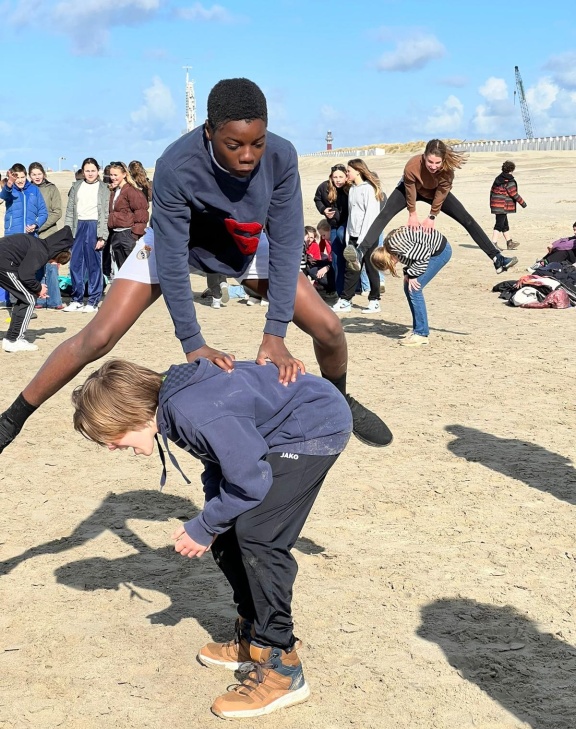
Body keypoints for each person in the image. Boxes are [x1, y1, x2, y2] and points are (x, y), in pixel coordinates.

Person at [0, 78, 391, 456]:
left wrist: (275, 333)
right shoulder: (175, 163)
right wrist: (193, 343)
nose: (248, 155)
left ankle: (338, 401)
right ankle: (11, 419)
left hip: (243, 241)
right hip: (179, 244)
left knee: (329, 328)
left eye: (257, 142)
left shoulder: (282, 157)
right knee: (97, 337)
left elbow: (288, 244)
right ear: (209, 131)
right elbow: (170, 258)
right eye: (234, 144)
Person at [71, 357, 352, 718]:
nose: (110, 447)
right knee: (227, 533)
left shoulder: (192, 410)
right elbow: (218, 462)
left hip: (312, 426)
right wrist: (212, 524)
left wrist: (205, 525)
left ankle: (281, 664)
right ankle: (252, 636)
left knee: (260, 538)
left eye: (109, 436)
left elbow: (250, 481)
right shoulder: (173, 408)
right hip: (277, 431)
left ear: (129, 413)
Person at [347, 139, 518, 275]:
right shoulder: (412, 166)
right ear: (424, 156)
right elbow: (410, 190)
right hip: (410, 190)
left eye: (438, 163)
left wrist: (432, 216)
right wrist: (412, 213)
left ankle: (497, 258)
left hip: (435, 192)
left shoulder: (447, 171)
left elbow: (441, 194)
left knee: (467, 219)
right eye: (430, 162)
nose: (434, 166)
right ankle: (360, 251)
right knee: (384, 214)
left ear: (443, 160)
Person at [372, 226, 452, 347]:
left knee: (415, 289)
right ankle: (417, 329)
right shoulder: (392, 249)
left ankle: (421, 334)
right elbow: (413, 257)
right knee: (408, 285)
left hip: (439, 252)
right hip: (431, 250)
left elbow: (423, 254)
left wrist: (413, 275)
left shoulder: (395, 246)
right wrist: (408, 274)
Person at [0, 227, 73, 352]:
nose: (51, 262)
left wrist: (36, 289)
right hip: (4, 264)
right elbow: (25, 275)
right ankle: (13, 340)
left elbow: (24, 274)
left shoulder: (39, 244)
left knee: (26, 297)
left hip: (6, 263)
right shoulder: (41, 252)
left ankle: (12, 338)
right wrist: (38, 288)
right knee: (29, 299)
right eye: (54, 261)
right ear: (56, 253)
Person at [332, 159, 385, 314]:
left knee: (371, 268)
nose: (346, 173)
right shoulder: (353, 189)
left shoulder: (369, 189)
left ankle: (374, 301)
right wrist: (349, 236)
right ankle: (345, 301)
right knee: (352, 268)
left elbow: (370, 215)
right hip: (354, 236)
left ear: (358, 171)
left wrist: (363, 240)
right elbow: (352, 215)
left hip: (368, 236)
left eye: (348, 171)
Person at [63, 157, 108, 313]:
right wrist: (68, 231)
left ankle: (93, 301)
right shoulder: (76, 187)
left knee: (94, 265)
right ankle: (76, 299)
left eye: (93, 170)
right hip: (78, 226)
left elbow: (106, 214)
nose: (90, 173)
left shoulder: (104, 188)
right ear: (83, 171)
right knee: (75, 264)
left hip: (94, 226)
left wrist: (102, 236)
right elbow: (70, 211)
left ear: (98, 171)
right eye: (87, 170)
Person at [29, 162, 65, 310]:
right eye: (33, 174)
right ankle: (40, 300)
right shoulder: (28, 190)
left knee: (51, 267)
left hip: (50, 233)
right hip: (32, 234)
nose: (37, 177)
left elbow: (57, 212)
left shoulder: (52, 188)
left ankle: (55, 301)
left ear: (43, 174)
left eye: (39, 174)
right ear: (30, 175)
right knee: (37, 267)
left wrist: (40, 225)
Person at [107, 161, 149, 271]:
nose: (113, 177)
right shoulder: (114, 191)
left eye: (115, 175)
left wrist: (135, 235)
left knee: (134, 268)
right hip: (116, 234)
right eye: (111, 175)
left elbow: (141, 212)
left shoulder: (132, 191)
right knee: (122, 270)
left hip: (128, 234)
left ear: (124, 174)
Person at [314, 164, 349, 294]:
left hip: (349, 226)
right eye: (335, 177)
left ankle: (357, 287)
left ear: (346, 176)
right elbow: (317, 199)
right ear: (331, 177)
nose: (338, 180)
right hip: (334, 226)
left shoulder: (350, 188)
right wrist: (323, 210)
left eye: (341, 176)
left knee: (350, 258)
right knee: (336, 258)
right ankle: (339, 292)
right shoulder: (324, 187)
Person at [0, 163, 48, 236]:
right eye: (17, 178)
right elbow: (3, 195)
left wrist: (36, 225)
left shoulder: (34, 190)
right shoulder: (10, 189)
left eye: (22, 177)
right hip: (12, 236)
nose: (20, 180)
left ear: (26, 176)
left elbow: (43, 212)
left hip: (31, 236)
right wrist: (9, 184)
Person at [489, 161, 527, 250]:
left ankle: (509, 242)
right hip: (502, 206)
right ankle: (493, 243)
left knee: (504, 224)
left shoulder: (498, 178)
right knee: (499, 224)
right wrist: (523, 203)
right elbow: (514, 193)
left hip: (496, 204)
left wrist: (492, 204)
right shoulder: (509, 181)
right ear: (512, 169)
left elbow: (492, 191)